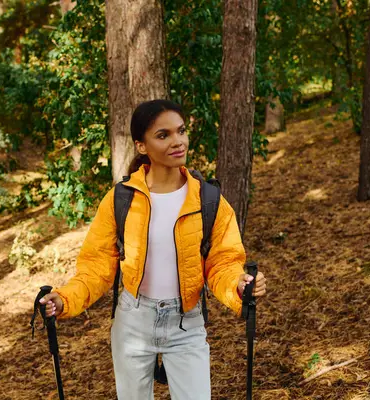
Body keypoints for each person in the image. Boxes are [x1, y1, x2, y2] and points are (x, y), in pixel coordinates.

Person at [39, 99, 268, 400]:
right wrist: (64, 298)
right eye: (163, 135)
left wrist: (239, 285)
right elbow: (96, 266)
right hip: (134, 321)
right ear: (141, 146)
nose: (178, 141)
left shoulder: (208, 199)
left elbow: (223, 262)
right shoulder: (121, 199)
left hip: (186, 322)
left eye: (181, 131)